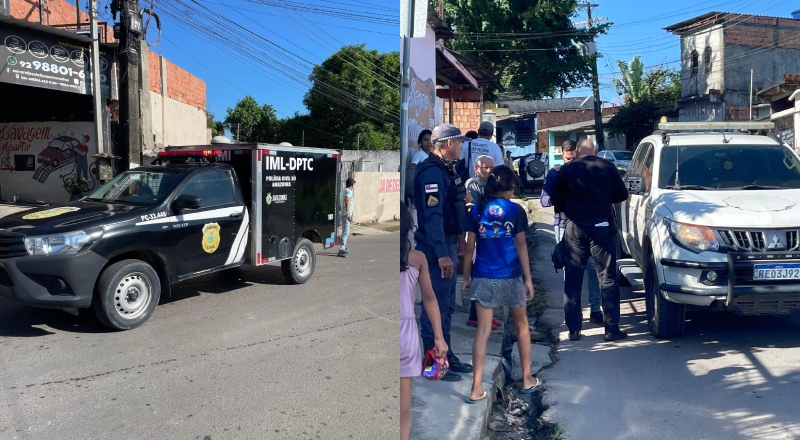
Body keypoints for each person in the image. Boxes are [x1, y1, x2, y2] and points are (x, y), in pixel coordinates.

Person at [462, 165, 541, 402]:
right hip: (511, 275)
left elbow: (469, 248)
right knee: (522, 325)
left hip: (484, 276)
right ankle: (527, 379)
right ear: (509, 186)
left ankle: (476, 389)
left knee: (482, 333)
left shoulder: (477, 210)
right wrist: (528, 278)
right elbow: (521, 245)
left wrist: (466, 277)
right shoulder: (516, 210)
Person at [551, 140, 629, 342]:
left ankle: (574, 330)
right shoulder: (607, 166)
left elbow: (556, 200)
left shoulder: (567, 169)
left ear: (576, 152)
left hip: (575, 227)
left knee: (574, 278)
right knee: (607, 278)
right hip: (602, 227)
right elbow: (621, 194)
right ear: (595, 152)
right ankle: (611, 328)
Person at [414, 123, 473, 381]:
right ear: (448, 144)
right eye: (459, 141)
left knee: (446, 305)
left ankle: (445, 355)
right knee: (434, 305)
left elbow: (452, 209)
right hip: (434, 248)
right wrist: (441, 253)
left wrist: (457, 241)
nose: (461, 145)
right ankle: (432, 362)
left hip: (447, 243)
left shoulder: (446, 169)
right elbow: (433, 216)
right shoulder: (432, 173)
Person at [541, 140, 603, 325]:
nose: (571, 162)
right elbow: (544, 200)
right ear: (562, 154)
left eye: (573, 157)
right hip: (564, 225)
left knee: (593, 269)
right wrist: (562, 197)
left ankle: (595, 308)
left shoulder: (590, 172)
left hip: (588, 226)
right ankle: (573, 313)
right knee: (570, 270)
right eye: (568, 158)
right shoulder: (556, 172)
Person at [400, 203, 448, 440]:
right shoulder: (417, 258)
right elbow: (429, 298)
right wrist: (438, 337)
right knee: (403, 408)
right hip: (406, 336)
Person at [464, 155, 502, 331]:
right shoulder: (474, 184)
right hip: (478, 233)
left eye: (491, 167)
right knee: (480, 277)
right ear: (476, 168)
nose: (488, 171)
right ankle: (476, 317)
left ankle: (486, 315)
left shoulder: (491, 184)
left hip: (489, 235)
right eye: (485, 167)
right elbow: (475, 210)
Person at [338, 178, 356, 258]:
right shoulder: (349, 191)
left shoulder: (344, 190)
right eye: (353, 185)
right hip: (345, 214)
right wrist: (348, 211)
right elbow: (347, 200)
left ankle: (343, 247)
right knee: (345, 232)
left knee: (345, 231)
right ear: (352, 185)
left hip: (342, 214)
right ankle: (341, 249)